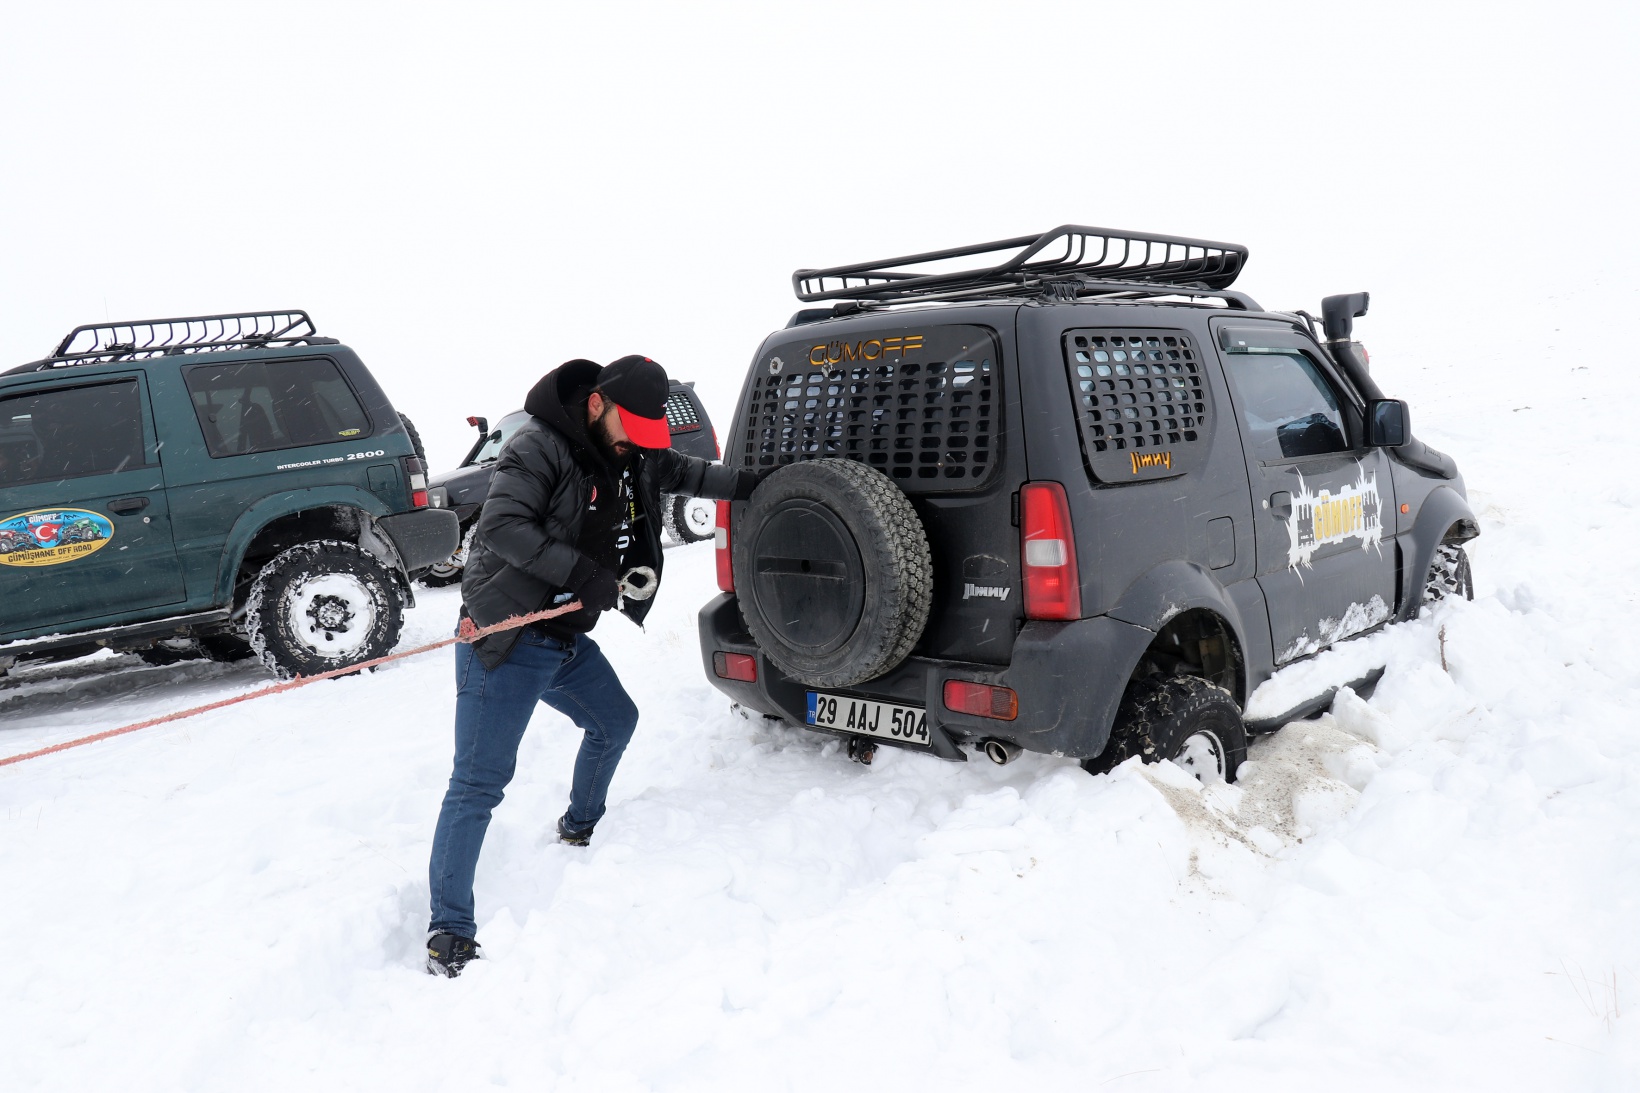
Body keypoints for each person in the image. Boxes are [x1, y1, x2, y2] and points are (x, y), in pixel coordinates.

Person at [425, 355, 753, 978]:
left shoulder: (636, 451)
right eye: (631, 429)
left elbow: (693, 473)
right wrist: (583, 575)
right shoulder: (537, 446)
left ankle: (579, 826)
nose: (638, 445)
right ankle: (448, 927)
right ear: (598, 404)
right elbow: (500, 527)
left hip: (564, 636)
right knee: (478, 784)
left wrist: (763, 481)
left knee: (615, 721)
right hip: (508, 640)